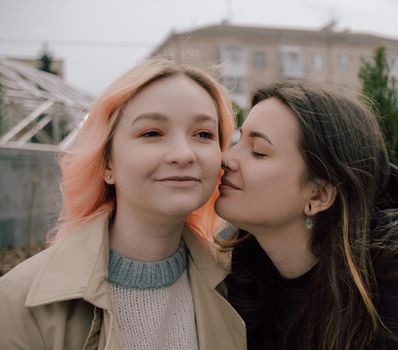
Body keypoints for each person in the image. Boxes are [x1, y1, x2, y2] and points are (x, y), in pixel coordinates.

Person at [216, 81, 398, 350]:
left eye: (258, 151)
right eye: (237, 140)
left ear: (318, 196)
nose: (226, 158)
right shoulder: (235, 281)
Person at [0, 58, 245, 350]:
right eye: (152, 133)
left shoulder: (239, 283)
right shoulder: (19, 300)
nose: (184, 154)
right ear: (107, 163)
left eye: (203, 134)